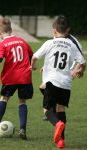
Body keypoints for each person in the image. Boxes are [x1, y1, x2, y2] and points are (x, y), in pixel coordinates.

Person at [31, 16, 86, 148]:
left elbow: (34, 56)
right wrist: (78, 71)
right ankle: (61, 141)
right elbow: (82, 62)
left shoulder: (49, 43)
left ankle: (57, 124)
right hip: (66, 84)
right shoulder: (72, 44)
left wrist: (33, 66)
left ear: (54, 31)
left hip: (52, 81)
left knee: (47, 111)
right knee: (61, 109)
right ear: (67, 30)